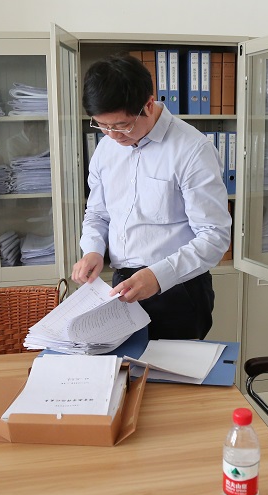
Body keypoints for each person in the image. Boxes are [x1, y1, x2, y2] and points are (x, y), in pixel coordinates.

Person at [71, 54, 231, 340]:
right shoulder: (106, 148)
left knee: (171, 369)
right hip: (122, 284)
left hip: (178, 288)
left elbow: (214, 236)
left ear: (148, 104)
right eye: (102, 125)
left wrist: (158, 276)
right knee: (123, 365)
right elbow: (97, 213)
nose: (113, 135)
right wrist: (93, 249)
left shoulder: (192, 150)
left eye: (122, 125)